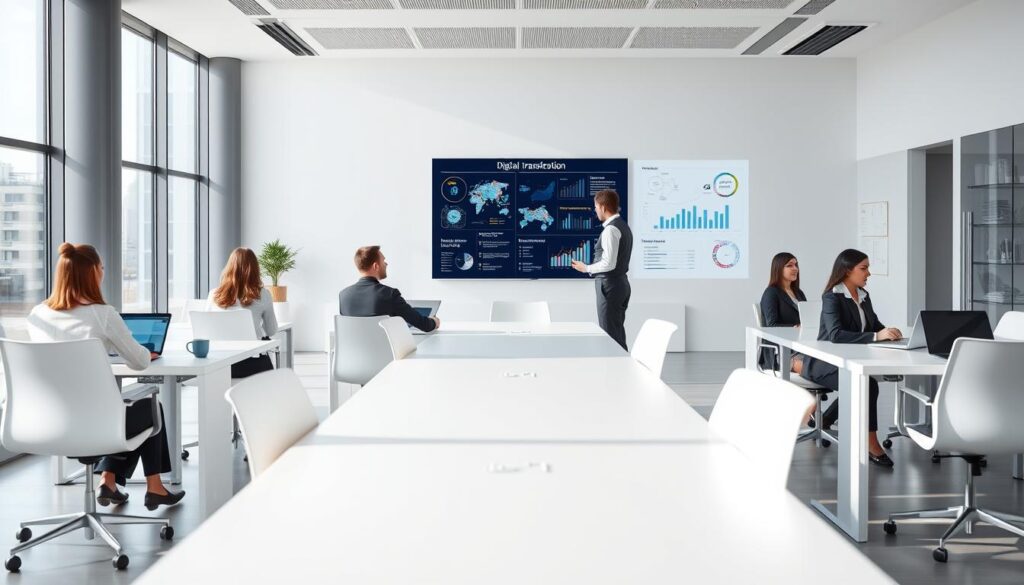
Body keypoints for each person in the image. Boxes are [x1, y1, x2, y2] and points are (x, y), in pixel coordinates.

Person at [26, 243, 185, 509]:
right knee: (149, 408)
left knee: (119, 410)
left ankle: (108, 482)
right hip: (94, 424)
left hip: (47, 421)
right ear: (92, 273)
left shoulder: (37, 314)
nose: (103, 272)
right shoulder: (102, 315)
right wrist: (131, 349)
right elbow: (140, 361)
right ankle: (154, 487)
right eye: (101, 267)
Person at [803, 249, 903, 468]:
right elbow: (835, 334)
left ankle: (826, 419)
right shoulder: (832, 296)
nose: (868, 273)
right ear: (847, 270)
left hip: (849, 360)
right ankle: (871, 444)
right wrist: (877, 336)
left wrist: (889, 332)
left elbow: (873, 325)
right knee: (867, 386)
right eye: (864, 268)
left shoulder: (864, 295)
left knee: (862, 384)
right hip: (823, 363)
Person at [571, 189, 633, 350]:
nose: (595, 210)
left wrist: (586, 268)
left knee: (609, 335)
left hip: (609, 286)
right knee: (616, 331)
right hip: (619, 284)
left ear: (604, 207)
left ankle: (615, 371)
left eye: (596, 207)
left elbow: (609, 263)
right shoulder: (623, 226)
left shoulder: (611, 230)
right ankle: (622, 370)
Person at [207, 247, 279, 379]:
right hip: (251, 365)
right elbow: (271, 330)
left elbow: (206, 329)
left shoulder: (213, 294)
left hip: (218, 366)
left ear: (229, 267)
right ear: (255, 269)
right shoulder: (263, 294)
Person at [339, 246, 440, 333]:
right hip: (385, 355)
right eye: (383, 261)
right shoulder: (389, 294)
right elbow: (424, 325)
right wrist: (435, 321)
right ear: (376, 266)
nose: (386, 264)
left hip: (353, 355)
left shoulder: (343, 295)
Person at [758, 252, 807, 373]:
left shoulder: (798, 293)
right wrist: (795, 327)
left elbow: (806, 319)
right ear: (779, 268)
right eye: (789, 265)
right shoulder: (771, 293)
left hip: (800, 347)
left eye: (796, 265)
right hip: (780, 352)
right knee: (817, 368)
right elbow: (772, 325)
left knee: (828, 364)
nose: (795, 268)